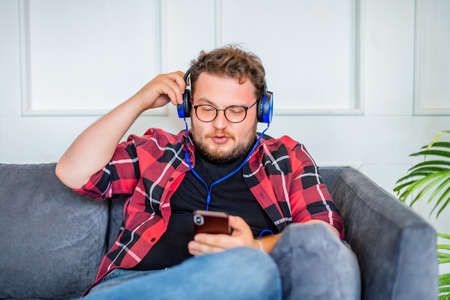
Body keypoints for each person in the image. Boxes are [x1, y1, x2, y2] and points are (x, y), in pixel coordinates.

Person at [55, 45, 350, 300]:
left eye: (236, 110)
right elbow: (73, 173)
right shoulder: (158, 149)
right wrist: (140, 100)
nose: (220, 124)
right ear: (187, 108)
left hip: (236, 284)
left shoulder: (286, 158)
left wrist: (255, 247)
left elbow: (323, 234)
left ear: (262, 111)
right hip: (136, 284)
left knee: (252, 269)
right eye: (207, 109)